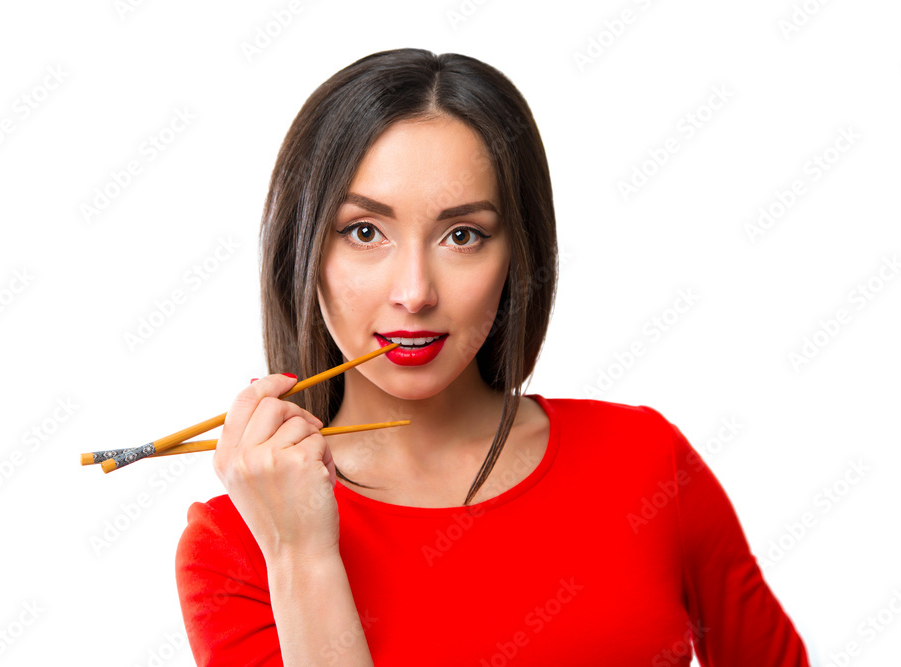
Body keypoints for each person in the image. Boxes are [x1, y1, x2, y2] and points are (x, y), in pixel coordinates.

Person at [175, 48, 810, 666]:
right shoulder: (236, 543)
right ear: (303, 252)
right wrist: (300, 554)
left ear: (517, 255)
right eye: (364, 232)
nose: (415, 293)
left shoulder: (646, 458)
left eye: (462, 235)